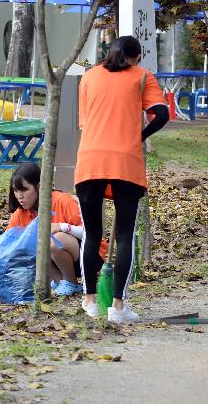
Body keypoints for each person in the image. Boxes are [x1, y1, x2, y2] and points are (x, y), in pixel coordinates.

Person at [76, 35, 169, 324]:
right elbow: (162, 114)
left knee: (92, 234)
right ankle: (117, 307)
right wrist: (139, 136)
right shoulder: (143, 77)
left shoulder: (89, 77)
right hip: (126, 162)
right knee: (126, 235)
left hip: (90, 160)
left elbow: (84, 123)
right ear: (135, 57)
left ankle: (90, 300)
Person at [0, 163, 104, 296]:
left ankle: (70, 282)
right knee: (27, 245)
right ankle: (60, 282)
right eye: (16, 190)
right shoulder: (20, 214)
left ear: (39, 186)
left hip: (89, 256)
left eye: (24, 189)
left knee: (52, 240)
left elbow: (91, 233)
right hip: (59, 260)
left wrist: (63, 227)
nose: (19, 196)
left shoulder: (62, 201)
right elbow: (5, 244)